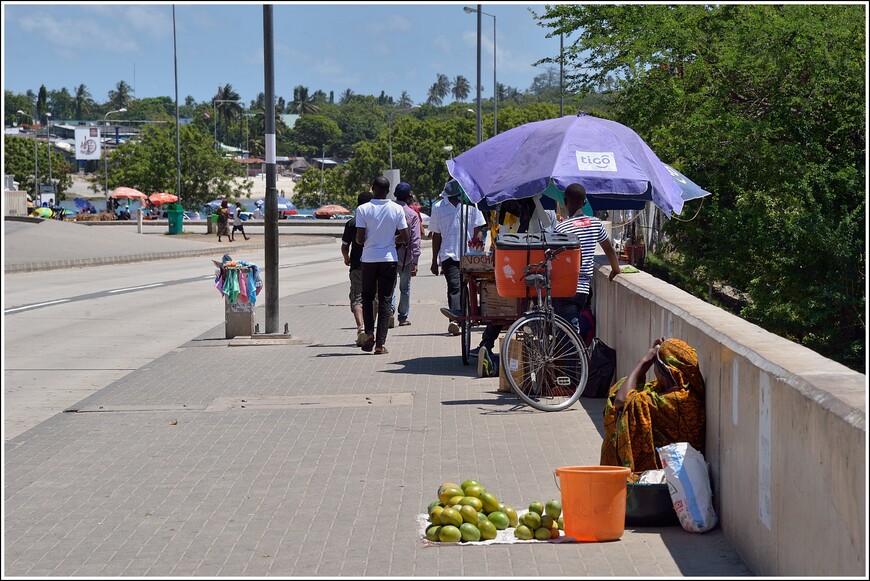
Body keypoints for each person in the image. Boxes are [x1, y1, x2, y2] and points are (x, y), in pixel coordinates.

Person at [599, 337, 706, 473]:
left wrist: (644, 362)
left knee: (622, 419)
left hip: (667, 475)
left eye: (656, 365)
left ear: (665, 372)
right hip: (677, 468)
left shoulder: (677, 401)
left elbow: (621, 402)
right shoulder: (686, 391)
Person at [552, 183, 621, 336]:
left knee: (566, 333)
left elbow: (553, 258)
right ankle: (574, 357)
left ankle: (573, 359)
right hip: (583, 290)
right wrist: (616, 270)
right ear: (584, 202)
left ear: (565, 201)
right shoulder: (595, 223)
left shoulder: (562, 228)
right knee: (571, 327)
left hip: (565, 288)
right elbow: (609, 249)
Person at [355, 176, 409, 354]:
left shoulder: (363, 209)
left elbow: (360, 239)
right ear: (388, 191)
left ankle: (369, 332)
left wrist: (369, 240)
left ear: (372, 189)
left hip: (369, 259)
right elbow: (406, 236)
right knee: (385, 300)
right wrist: (391, 240)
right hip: (389, 259)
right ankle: (380, 344)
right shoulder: (396, 209)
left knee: (368, 298)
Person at [429, 180, 486, 336]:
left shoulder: (472, 206)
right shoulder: (438, 207)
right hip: (449, 254)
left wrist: (478, 244)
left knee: (466, 288)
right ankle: (456, 320)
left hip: (469, 255)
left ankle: (465, 316)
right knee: (455, 286)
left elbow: (478, 229)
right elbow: (436, 235)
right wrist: (434, 261)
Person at [341, 191, 374, 347]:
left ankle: (361, 329)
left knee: (357, 298)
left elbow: (345, 245)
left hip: (357, 266)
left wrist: (346, 257)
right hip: (374, 263)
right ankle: (370, 330)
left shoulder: (351, 223)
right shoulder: (375, 221)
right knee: (374, 298)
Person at [390, 182, 422, 327]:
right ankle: (402, 318)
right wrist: (415, 261)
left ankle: (389, 312)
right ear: (409, 196)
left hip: (388, 255)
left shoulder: (388, 210)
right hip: (405, 257)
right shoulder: (412, 214)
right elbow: (415, 239)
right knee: (405, 288)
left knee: (389, 286)